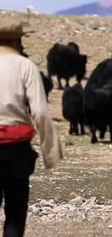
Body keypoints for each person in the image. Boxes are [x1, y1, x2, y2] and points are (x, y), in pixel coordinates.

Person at [0, 18, 62, 237]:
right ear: (17, 41)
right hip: (16, 149)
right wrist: (50, 151)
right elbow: (41, 112)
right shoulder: (25, 65)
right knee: (16, 211)